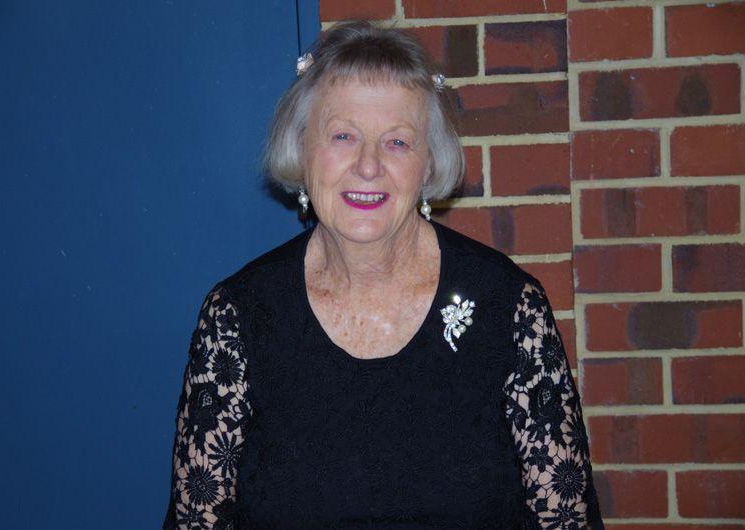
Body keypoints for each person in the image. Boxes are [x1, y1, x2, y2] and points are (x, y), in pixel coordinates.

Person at [164, 21, 603, 529]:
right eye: (343, 136)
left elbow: (565, 518)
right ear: (302, 151)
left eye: (397, 142)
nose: (368, 166)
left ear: (428, 163)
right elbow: (198, 519)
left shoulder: (507, 308)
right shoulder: (239, 317)